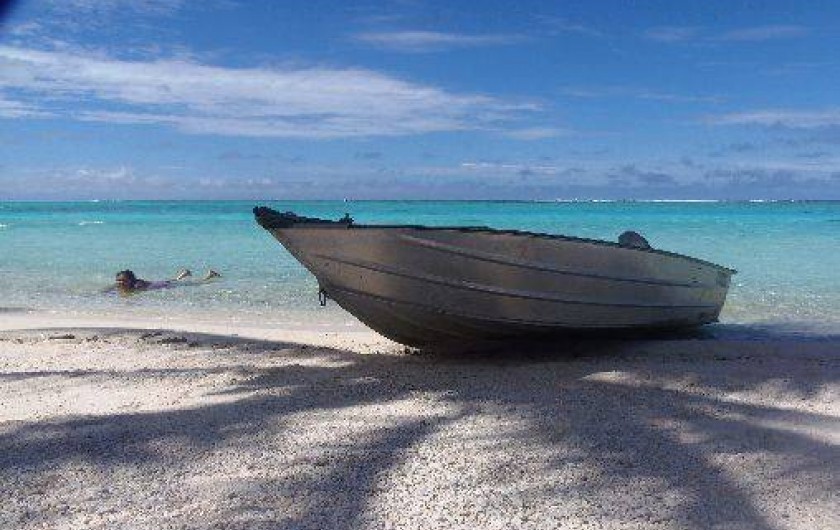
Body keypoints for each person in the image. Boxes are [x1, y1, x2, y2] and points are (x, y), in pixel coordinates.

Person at [110, 268, 220, 294]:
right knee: (175, 280)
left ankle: (209, 276)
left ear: (130, 280)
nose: (120, 283)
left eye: (123, 280)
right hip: (158, 282)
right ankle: (184, 274)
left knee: (194, 284)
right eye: (118, 280)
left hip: (162, 285)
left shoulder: (138, 285)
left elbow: (137, 293)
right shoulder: (120, 285)